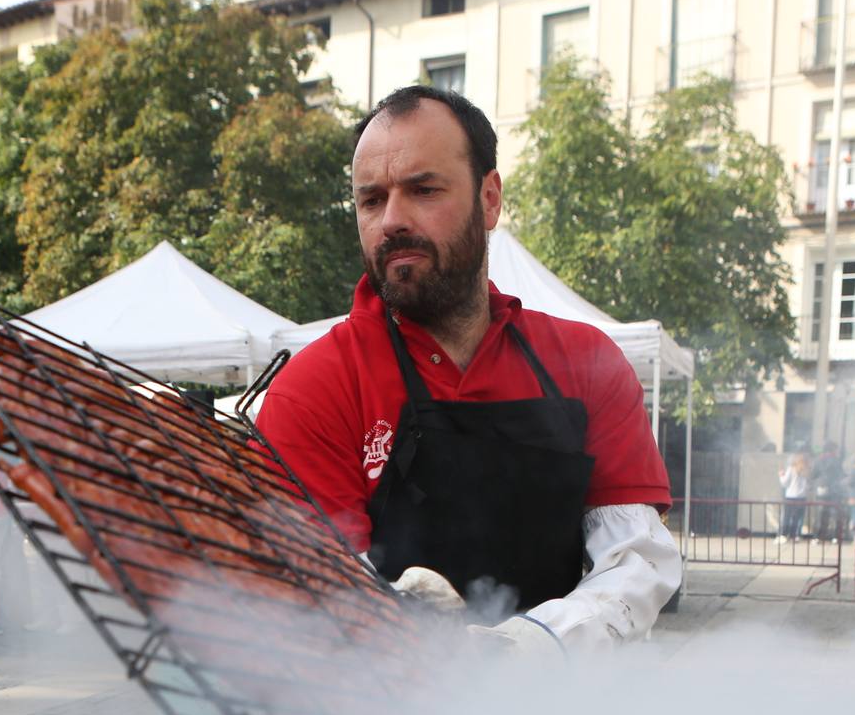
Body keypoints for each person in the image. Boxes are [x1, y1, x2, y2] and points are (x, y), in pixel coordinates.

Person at [259, 85, 679, 652]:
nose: (392, 221)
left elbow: (637, 564)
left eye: (423, 189)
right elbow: (327, 598)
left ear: (489, 198)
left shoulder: (587, 365)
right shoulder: (312, 390)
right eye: (371, 200)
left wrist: (530, 649)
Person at [776, 453, 810, 544]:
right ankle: (793, 535)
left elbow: (784, 483)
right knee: (796, 518)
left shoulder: (791, 469)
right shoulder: (806, 471)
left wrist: (781, 475)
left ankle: (783, 535)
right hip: (802, 498)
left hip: (791, 497)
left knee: (787, 517)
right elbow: (808, 486)